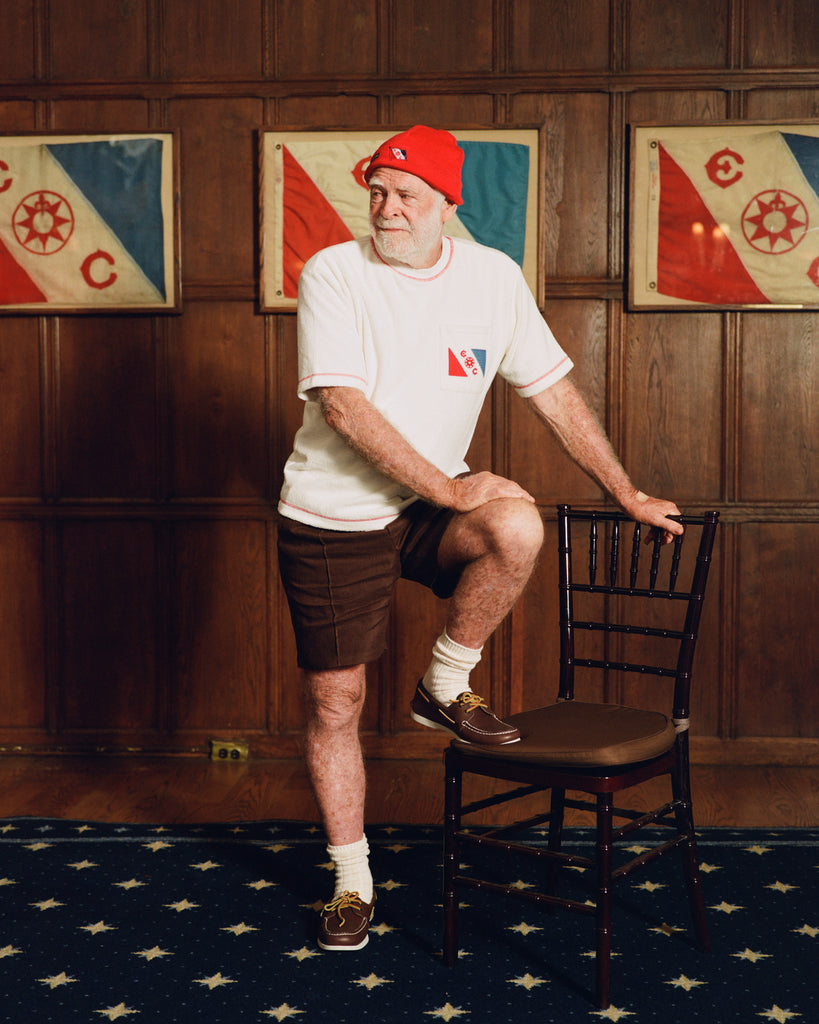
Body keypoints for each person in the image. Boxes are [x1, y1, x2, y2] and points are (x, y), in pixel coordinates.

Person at [276, 125, 683, 952]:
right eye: (378, 191)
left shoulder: (492, 279)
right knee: (336, 700)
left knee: (514, 521)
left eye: (407, 196)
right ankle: (352, 883)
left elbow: (554, 392)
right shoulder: (334, 271)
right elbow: (347, 409)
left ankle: (445, 682)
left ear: (446, 206)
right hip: (333, 514)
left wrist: (627, 491)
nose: (387, 209)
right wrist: (453, 486)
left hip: (424, 505)